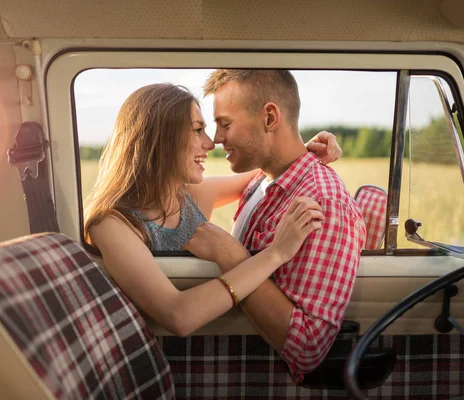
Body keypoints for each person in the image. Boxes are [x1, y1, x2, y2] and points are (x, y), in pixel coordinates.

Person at [83, 83, 340, 338]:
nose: (210, 143)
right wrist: (276, 254)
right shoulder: (111, 224)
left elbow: (264, 171)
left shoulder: (187, 197)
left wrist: (302, 150)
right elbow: (178, 316)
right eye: (198, 130)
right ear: (160, 137)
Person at [200, 69, 367, 383]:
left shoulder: (322, 203)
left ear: (269, 117)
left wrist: (228, 253)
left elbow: (307, 347)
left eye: (225, 123)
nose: (216, 138)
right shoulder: (263, 178)